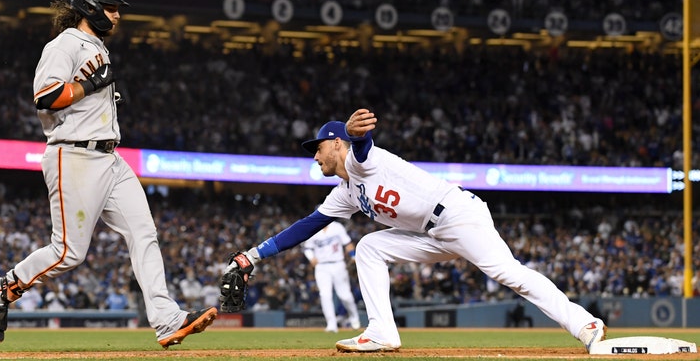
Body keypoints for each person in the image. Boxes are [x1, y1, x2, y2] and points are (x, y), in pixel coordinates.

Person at [224, 108, 606, 353]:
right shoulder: (345, 193)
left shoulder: (361, 162)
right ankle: (382, 332)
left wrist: (358, 135)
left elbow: (363, 150)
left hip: (458, 215)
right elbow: (306, 226)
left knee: (508, 273)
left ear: (336, 143)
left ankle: (583, 323)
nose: (315, 154)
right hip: (429, 234)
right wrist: (252, 254)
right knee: (371, 247)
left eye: (319, 147)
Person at [0, 0, 216, 348]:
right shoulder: (64, 44)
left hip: (110, 158)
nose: (117, 15)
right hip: (73, 155)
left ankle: (167, 319)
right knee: (68, 253)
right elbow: (45, 96)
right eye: (111, 7)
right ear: (90, 7)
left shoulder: (96, 45)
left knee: (144, 233)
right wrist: (89, 87)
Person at [302, 221, 361, 333]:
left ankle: (354, 317)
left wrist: (353, 255)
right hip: (321, 266)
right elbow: (307, 248)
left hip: (338, 263)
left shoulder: (336, 227)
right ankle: (331, 324)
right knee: (325, 294)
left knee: (345, 295)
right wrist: (311, 258)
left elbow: (347, 243)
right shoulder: (313, 228)